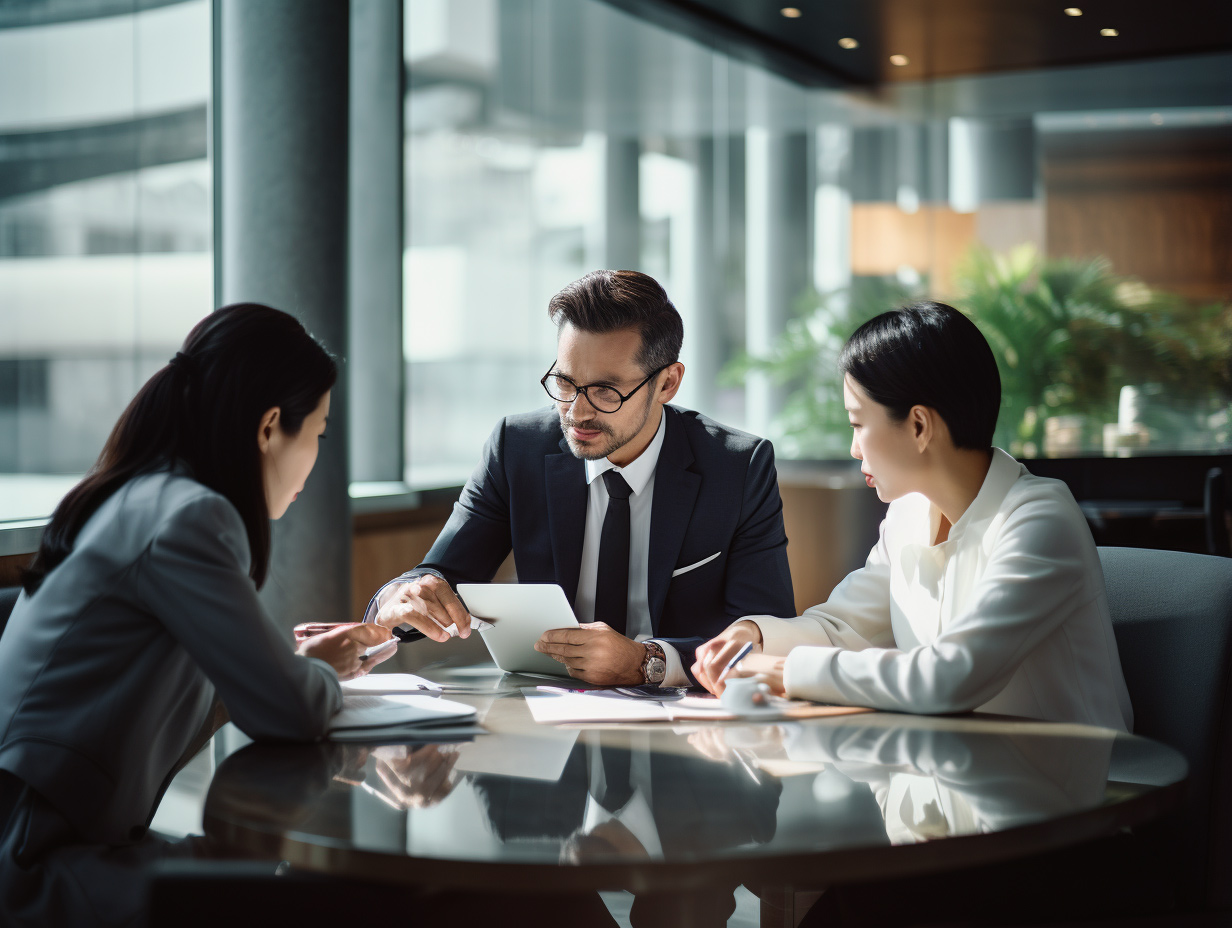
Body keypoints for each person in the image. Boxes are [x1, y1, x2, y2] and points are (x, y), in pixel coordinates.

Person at [0, 303, 393, 927]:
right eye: (316, 433)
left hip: (59, 841)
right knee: (361, 901)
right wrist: (314, 675)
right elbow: (287, 713)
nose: (317, 458)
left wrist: (294, 667)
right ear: (269, 427)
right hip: (32, 865)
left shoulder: (148, 494)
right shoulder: (188, 517)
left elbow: (251, 690)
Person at [693, 301, 1132, 731]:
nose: (853, 449)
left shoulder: (1039, 518)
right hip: (956, 775)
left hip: (1069, 787)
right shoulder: (908, 514)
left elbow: (951, 676)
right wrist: (755, 635)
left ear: (919, 426)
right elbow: (842, 626)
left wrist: (785, 673)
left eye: (858, 423)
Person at [367, 269, 795, 686]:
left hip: (691, 718)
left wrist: (647, 662)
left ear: (667, 383)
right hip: (547, 707)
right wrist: (400, 598)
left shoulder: (736, 467)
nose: (577, 411)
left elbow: (767, 633)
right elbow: (441, 574)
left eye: (606, 390)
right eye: (566, 383)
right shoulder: (517, 448)